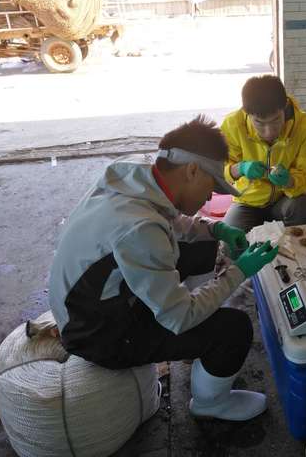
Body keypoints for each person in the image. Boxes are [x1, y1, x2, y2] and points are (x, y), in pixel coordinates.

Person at [48, 115, 278, 421]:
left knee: (202, 243)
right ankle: (211, 404)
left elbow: (167, 219)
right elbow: (178, 317)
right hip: (97, 334)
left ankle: (195, 333)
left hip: (88, 303)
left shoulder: (138, 174)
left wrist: (215, 229)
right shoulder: (139, 229)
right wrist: (239, 271)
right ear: (192, 170)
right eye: (211, 186)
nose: (210, 196)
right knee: (233, 328)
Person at [221, 74, 306, 232]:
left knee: (304, 207)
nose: (269, 132)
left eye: (276, 120)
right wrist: (240, 168)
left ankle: (292, 245)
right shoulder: (232, 124)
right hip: (246, 202)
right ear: (247, 113)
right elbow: (220, 171)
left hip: (284, 199)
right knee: (230, 237)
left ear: (284, 106)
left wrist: (289, 181)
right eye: (259, 123)